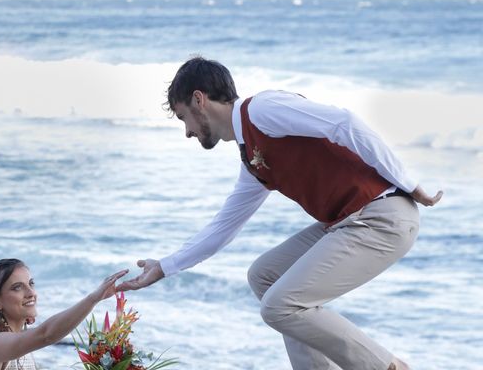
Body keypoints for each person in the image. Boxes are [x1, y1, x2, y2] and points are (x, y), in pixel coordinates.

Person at [117, 57, 442, 370]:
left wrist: (409, 184)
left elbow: (346, 123)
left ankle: (385, 367)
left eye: (182, 117)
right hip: (348, 222)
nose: (187, 131)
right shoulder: (252, 159)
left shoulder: (262, 110)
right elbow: (222, 228)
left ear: (199, 100)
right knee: (264, 275)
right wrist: (165, 267)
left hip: (381, 217)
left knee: (279, 306)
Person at [0, 258, 128, 370]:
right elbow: (46, 335)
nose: (31, 293)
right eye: (17, 287)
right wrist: (93, 298)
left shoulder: (16, 343)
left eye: (31, 284)